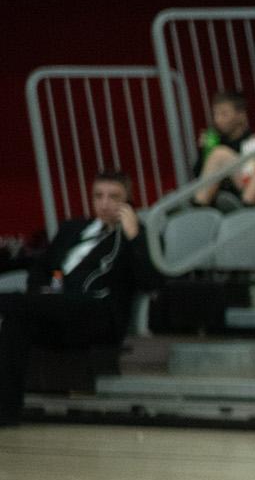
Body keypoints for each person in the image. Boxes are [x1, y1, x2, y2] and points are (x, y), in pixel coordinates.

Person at [0, 171, 159, 427]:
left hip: (99, 313)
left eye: (114, 197)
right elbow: (41, 267)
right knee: (15, 324)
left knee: (20, 305)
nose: (105, 203)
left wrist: (134, 237)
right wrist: (44, 290)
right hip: (58, 309)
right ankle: (5, 413)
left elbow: (150, 282)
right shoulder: (72, 229)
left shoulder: (138, 236)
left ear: (128, 200)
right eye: (99, 196)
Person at [191, 90, 255, 209]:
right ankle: (197, 214)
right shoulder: (216, 142)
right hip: (220, 201)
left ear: (240, 115)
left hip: (249, 198)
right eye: (215, 114)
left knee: (220, 154)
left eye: (224, 114)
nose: (218, 120)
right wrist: (203, 152)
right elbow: (199, 178)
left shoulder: (254, 142)